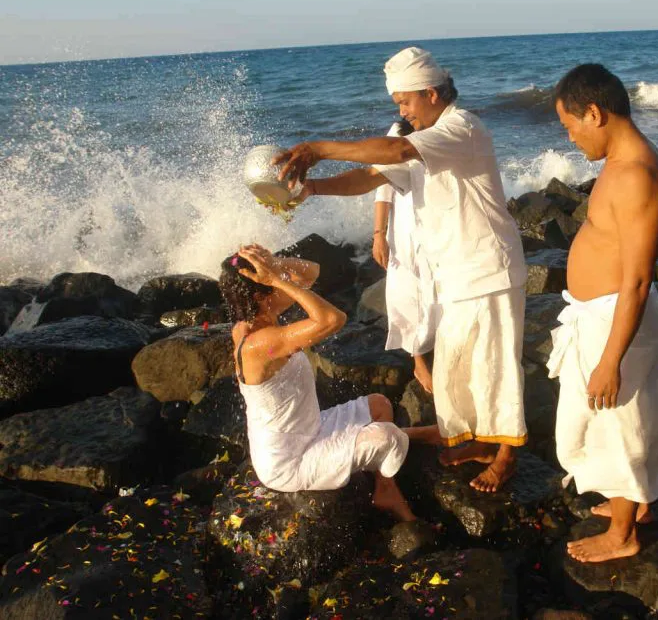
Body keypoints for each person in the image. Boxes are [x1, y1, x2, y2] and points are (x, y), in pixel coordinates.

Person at [274, 47, 528, 492]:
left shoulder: (460, 127)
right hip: (455, 273)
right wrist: (311, 188)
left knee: (496, 365)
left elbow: (396, 147)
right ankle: (482, 441)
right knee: (457, 367)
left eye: (405, 102)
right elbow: (371, 177)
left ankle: (507, 456)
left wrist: (319, 147)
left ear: (432, 93)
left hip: (489, 268)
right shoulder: (425, 138)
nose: (403, 112)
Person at [547, 64, 658, 563]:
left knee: (617, 423)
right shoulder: (625, 161)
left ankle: (622, 535)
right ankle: (634, 504)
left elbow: (638, 279)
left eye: (570, 125)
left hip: (614, 318)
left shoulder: (634, 174)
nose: (571, 137)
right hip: (602, 312)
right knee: (617, 417)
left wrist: (609, 359)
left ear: (595, 113)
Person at [219, 244, 416, 522]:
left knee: (380, 406)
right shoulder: (261, 343)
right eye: (271, 285)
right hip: (290, 461)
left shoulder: (258, 318)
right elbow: (333, 319)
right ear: (260, 294)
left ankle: (385, 489)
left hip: (312, 427)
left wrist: (274, 263)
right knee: (387, 436)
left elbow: (310, 274)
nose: (280, 285)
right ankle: (418, 441)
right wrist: (275, 279)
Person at [371, 118, 439, 393]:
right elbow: (381, 187)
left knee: (438, 288)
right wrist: (378, 234)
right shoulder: (399, 133)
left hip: (437, 223)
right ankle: (419, 360)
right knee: (406, 291)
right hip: (405, 226)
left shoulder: (446, 128)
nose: (404, 109)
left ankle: (440, 350)